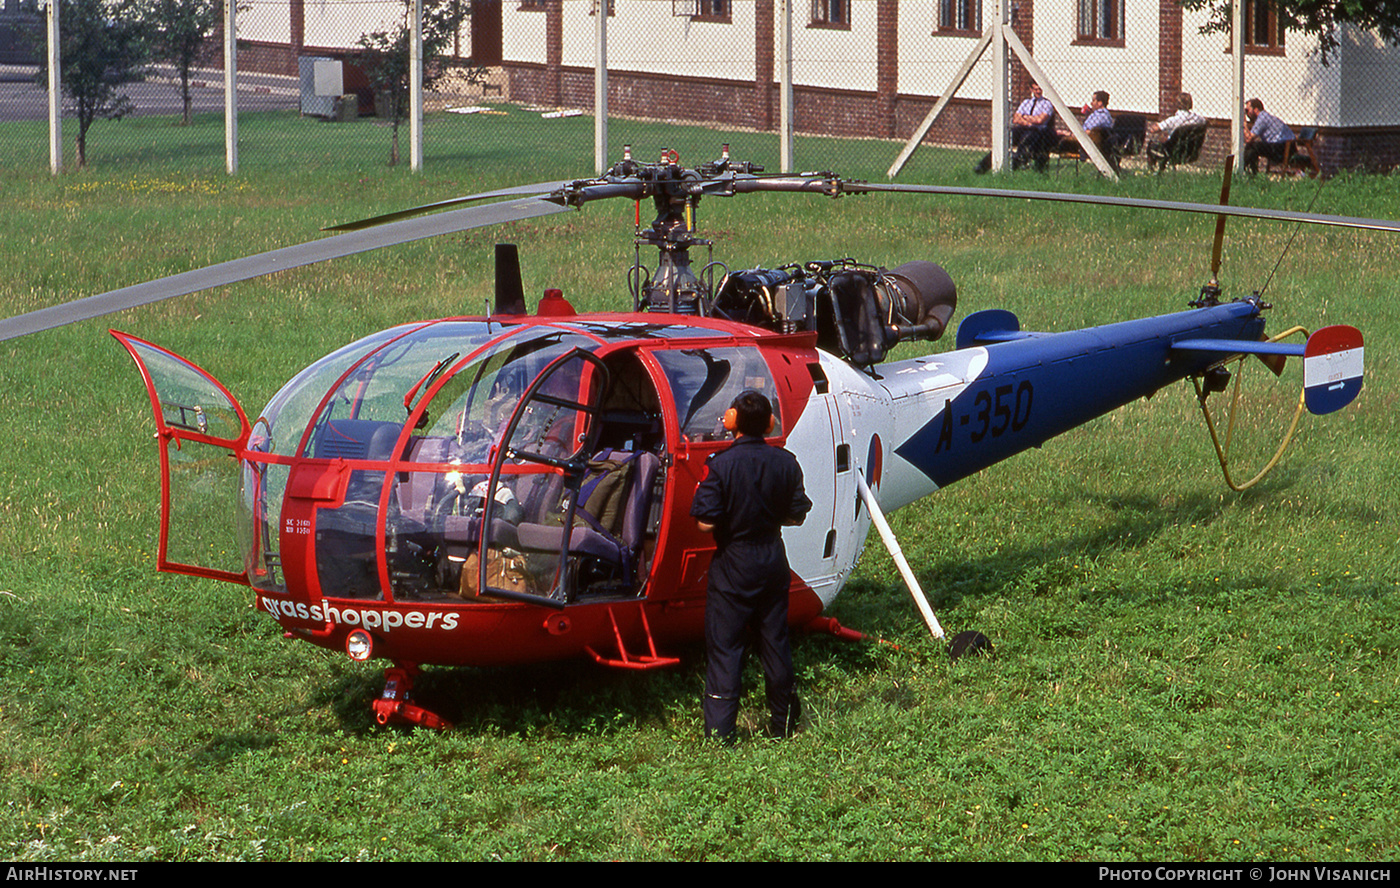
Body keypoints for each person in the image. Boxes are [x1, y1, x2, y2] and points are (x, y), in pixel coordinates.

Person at [690, 390, 811, 744]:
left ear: (731, 422)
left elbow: (704, 524)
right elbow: (796, 515)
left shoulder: (720, 464)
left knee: (726, 647)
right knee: (775, 642)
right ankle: (783, 725)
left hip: (734, 562)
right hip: (773, 558)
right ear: (770, 423)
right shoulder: (786, 463)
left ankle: (720, 733)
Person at [975, 81, 1056, 173]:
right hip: (1023, 128)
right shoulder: (1026, 102)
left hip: (1037, 131)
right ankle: (983, 166)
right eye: (1035, 89)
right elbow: (1016, 119)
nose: (1038, 91)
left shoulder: (1047, 104)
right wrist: (1029, 122)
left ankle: (1014, 164)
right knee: (1006, 137)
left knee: (1026, 141)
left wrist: (1024, 117)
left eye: (1039, 89)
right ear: (1031, 89)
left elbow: (1040, 120)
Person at [1145, 92, 1206, 167]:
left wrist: (1155, 125)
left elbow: (1154, 129)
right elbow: (1206, 122)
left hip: (1172, 151)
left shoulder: (1173, 120)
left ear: (1177, 104)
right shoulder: (1198, 119)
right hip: (1190, 152)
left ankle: (1152, 170)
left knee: (1152, 146)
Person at [1242, 98, 1295, 174]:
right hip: (1284, 146)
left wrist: (1244, 124)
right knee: (1253, 147)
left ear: (1256, 110)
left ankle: (1245, 171)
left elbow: (1249, 138)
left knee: (1253, 146)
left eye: (1247, 110)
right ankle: (1250, 171)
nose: (1247, 114)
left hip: (1283, 149)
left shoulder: (1262, 119)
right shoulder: (1264, 117)